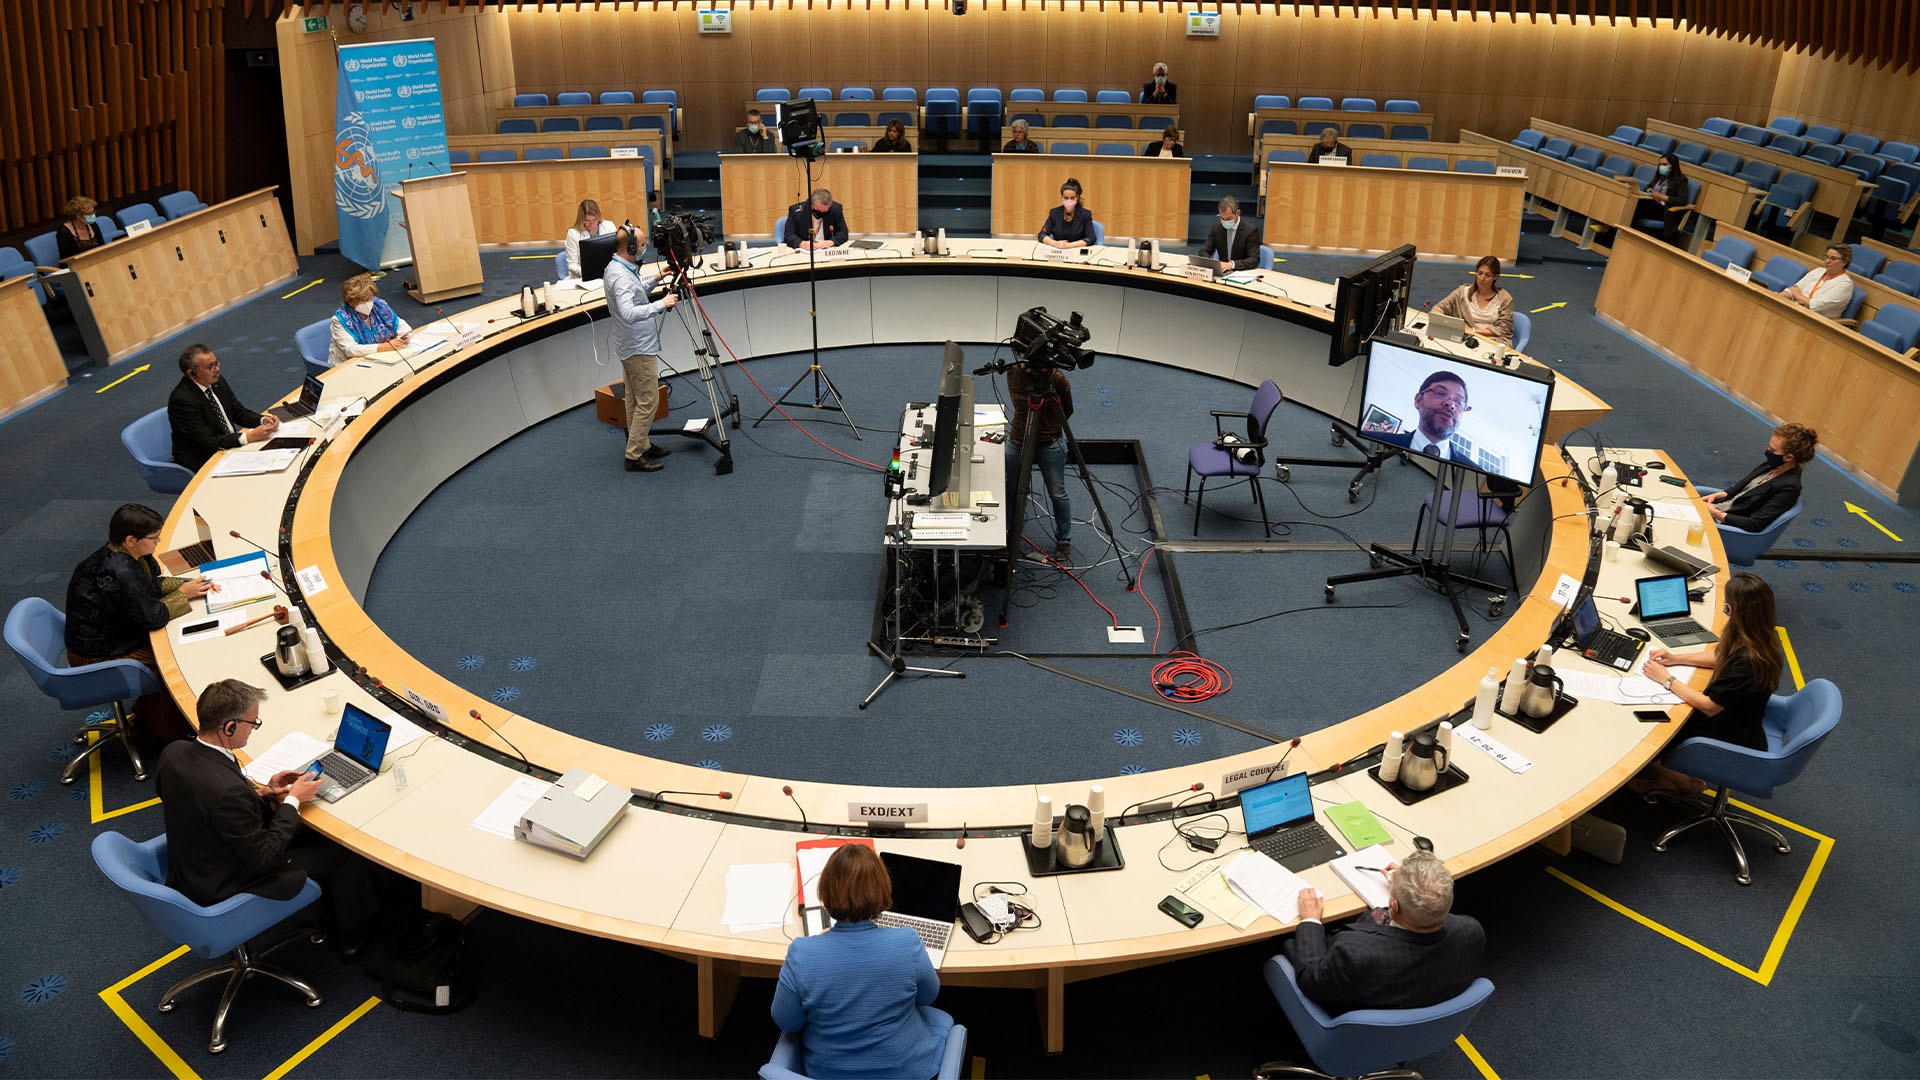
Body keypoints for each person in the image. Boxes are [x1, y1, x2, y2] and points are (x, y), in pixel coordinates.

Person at [156, 679, 397, 953]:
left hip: (193, 862)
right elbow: (264, 859)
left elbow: (200, 800)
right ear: (229, 727)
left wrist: (264, 792)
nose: (254, 730)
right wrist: (293, 799)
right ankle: (354, 939)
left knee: (300, 825)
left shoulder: (173, 753)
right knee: (342, 848)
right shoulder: (227, 793)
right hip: (226, 881)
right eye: (253, 723)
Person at [770, 844, 951, 1080]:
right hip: (904, 1071)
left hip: (827, 1073)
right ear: (884, 891)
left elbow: (788, 1021)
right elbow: (928, 997)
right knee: (941, 1019)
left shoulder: (802, 953)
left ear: (825, 893)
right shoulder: (906, 942)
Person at [64, 503, 214, 744]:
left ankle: (151, 717)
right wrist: (183, 594)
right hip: (97, 654)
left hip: (110, 633)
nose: (158, 542)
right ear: (131, 539)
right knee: (172, 664)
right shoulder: (118, 571)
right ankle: (167, 731)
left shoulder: (128, 556)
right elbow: (152, 617)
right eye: (154, 538)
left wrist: (192, 585)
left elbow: (149, 586)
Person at [1635, 573, 1787, 795]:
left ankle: (1681, 782)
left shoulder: (1749, 661)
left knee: (1648, 739)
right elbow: (1721, 657)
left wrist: (1666, 679)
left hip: (1729, 733)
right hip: (1737, 717)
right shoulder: (1759, 636)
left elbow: (1709, 706)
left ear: (1733, 611)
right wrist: (1676, 658)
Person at [1287, 851, 1485, 1012]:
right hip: (1423, 1007)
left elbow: (1310, 979)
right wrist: (1411, 886)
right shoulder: (1471, 932)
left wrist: (1310, 919)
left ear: (1393, 905)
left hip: (1354, 1023)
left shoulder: (1354, 955)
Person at [603, 224, 677, 472]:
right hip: (638, 347)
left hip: (631, 345)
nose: (645, 248)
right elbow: (628, 312)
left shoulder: (620, 267)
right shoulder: (621, 276)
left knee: (635, 400)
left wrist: (655, 279)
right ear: (632, 247)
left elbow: (635, 296)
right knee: (649, 401)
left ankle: (642, 444)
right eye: (642, 245)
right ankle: (634, 455)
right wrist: (661, 304)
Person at [168, 343, 278, 471]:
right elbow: (207, 441)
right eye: (210, 367)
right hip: (204, 457)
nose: (217, 369)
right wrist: (248, 437)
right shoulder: (182, 400)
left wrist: (263, 420)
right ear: (192, 373)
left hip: (227, 445)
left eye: (216, 363)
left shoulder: (217, 382)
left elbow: (238, 412)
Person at [1006, 358, 1075, 563]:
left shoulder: (1057, 378)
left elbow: (1067, 410)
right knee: (1012, 489)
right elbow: (1020, 403)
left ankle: (1064, 540)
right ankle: (1010, 533)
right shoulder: (1014, 372)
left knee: (1057, 493)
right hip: (1019, 439)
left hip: (1050, 441)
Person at [1701, 422, 1817, 532]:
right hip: (1714, 509)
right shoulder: (1771, 466)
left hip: (1724, 525)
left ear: (1788, 457)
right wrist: (1717, 495)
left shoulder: (1789, 488)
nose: (1768, 452)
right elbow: (1741, 490)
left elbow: (1754, 524)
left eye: (1772, 450)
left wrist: (1714, 513)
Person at [1372, 371, 1474, 463]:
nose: (1451, 404)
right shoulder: (1373, 440)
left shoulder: (1473, 474)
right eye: (1440, 393)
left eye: (1458, 402)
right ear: (1418, 400)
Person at [327, 272, 414, 366]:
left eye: (369, 298)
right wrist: (382, 347)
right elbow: (351, 350)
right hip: (347, 365)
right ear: (351, 301)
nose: (367, 303)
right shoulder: (340, 319)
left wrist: (404, 336)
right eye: (362, 300)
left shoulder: (379, 305)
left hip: (379, 358)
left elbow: (400, 324)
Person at [1430, 255, 1516, 346]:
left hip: (1492, 341)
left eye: (1488, 275)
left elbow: (1503, 329)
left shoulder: (1505, 298)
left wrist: (1473, 331)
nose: (1482, 278)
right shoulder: (1463, 292)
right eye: (1480, 273)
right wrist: (1445, 321)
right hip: (1464, 339)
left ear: (1495, 277)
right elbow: (1438, 308)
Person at [1780, 244, 1855, 320]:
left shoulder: (1845, 284)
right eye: (1826, 257)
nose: (1827, 261)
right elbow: (1793, 290)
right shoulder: (1818, 271)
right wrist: (1778, 296)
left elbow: (1817, 306)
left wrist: (1798, 295)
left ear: (1844, 262)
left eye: (1833, 258)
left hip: (1817, 321)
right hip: (1797, 310)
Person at [1196, 195, 1264, 272]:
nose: (1225, 221)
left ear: (1238, 213)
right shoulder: (1217, 227)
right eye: (1222, 218)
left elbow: (1254, 260)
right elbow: (1205, 250)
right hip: (1223, 272)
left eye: (1228, 218)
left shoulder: (1250, 231)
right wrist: (1208, 263)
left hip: (1241, 272)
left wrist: (1232, 264)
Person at [1634, 151, 1692, 243]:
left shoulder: (1681, 180)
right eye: (1660, 164)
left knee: (1636, 204)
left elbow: (1682, 200)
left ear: (1673, 165)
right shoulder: (1660, 177)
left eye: (1664, 164)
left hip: (1665, 210)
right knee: (1634, 202)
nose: (1661, 167)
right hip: (1652, 205)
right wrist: (1649, 190)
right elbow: (1648, 187)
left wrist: (1662, 197)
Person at [563, 197, 616, 278]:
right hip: (583, 277)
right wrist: (588, 273)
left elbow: (617, 254)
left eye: (594, 220)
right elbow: (572, 265)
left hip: (609, 274)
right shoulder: (573, 234)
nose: (592, 224)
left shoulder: (609, 226)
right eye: (587, 221)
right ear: (581, 220)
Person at [785, 188, 849, 250]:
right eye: (818, 210)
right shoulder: (797, 211)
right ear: (811, 204)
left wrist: (831, 242)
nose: (821, 213)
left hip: (826, 250)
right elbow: (789, 235)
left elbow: (843, 233)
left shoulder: (835, 209)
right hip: (805, 251)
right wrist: (801, 243)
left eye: (825, 212)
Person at [1037, 178, 1094, 249]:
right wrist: (1055, 243)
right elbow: (1042, 235)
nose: (1069, 200)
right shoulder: (1054, 213)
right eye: (1066, 198)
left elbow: (1091, 238)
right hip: (1058, 251)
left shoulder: (1085, 215)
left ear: (1077, 197)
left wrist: (1070, 245)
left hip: (1076, 250)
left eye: (1072, 198)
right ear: (1062, 198)